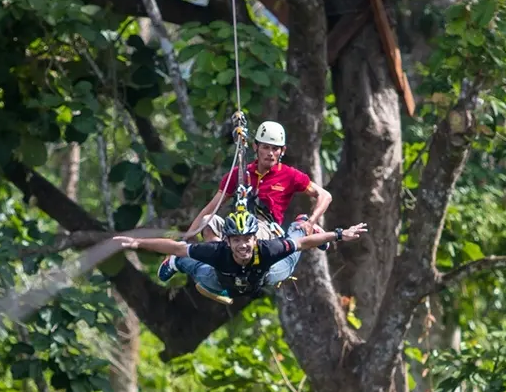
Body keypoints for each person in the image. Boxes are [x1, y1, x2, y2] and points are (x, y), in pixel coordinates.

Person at [114, 210, 368, 305]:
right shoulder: (218, 252)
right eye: (237, 240)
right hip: (221, 279)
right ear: (227, 241)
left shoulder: (267, 250)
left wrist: (338, 234)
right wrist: (138, 242)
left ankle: (302, 221)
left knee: (293, 250)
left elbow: (302, 243)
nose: (243, 245)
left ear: (255, 239)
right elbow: (176, 246)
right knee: (192, 265)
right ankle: (176, 267)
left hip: (264, 276)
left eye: (247, 239)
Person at [186, 120, 332, 245]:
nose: (270, 153)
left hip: (266, 231)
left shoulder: (289, 175)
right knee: (208, 221)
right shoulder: (240, 173)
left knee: (250, 232)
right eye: (265, 147)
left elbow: (325, 196)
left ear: (282, 151)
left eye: (275, 149)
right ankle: (221, 257)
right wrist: (186, 239)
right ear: (256, 147)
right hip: (238, 227)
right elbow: (211, 208)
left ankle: (230, 254)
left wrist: (311, 221)